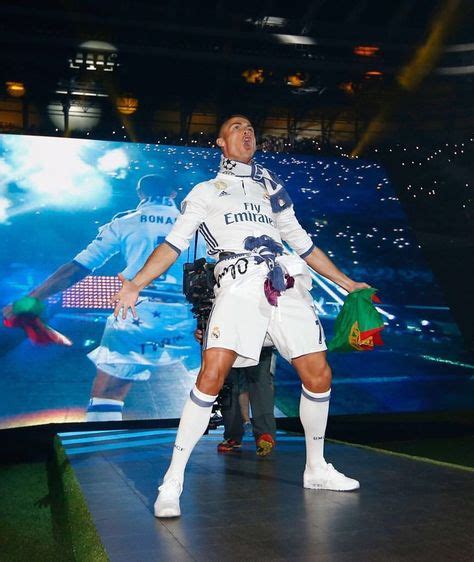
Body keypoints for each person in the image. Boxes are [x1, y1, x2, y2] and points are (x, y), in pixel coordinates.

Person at [111, 115, 370, 518]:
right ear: (220, 142)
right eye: (236, 127)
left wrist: (348, 282)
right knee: (212, 373)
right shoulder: (207, 190)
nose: (246, 132)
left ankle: (316, 467)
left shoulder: (272, 189)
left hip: (284, 281)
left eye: (250, 128)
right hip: (237, 281)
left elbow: (303, 244)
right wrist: (136, 283)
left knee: (318, 374)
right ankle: (173, 480)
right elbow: (173, 243)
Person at [3, 174, 192, 421]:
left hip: (137, 311)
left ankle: (100, 451)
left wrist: (30, 300)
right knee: (217, 386)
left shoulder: (125, 223)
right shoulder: (195, 225)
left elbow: (76, 269)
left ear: (140, 193)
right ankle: (228, 441)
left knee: (108, 395)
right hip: (190, 315)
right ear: (173, 194)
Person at [195, 328, 277, 456]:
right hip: (227, 341)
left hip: (258, 341)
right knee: (229, 387)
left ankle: (265, 436)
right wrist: (204, 330)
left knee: (260, 386)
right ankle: (232, 436)